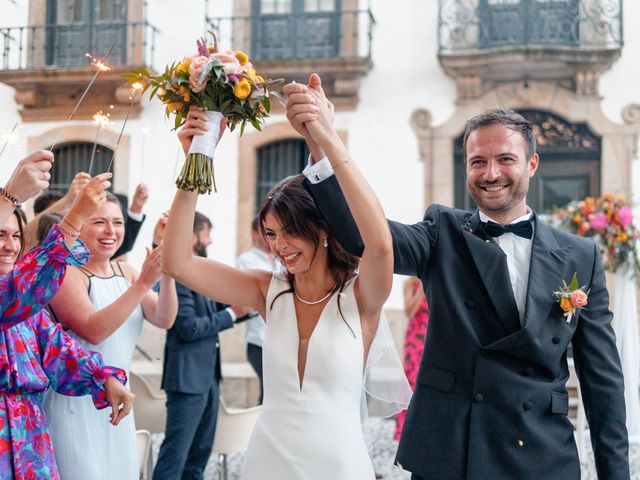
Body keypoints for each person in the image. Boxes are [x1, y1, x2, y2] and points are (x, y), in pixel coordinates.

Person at [288, 76, 629, 479]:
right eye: (477, 162)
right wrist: (321, 144)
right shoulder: (441, 232)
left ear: (532, 164)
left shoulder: (581, 255)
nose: (490, 173)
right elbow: (364, 237)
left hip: (541, 451)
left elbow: (602, 378)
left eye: (505, 159)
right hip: (455, 450)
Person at [163, 101, 409, 479]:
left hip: (338, 467)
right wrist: (197, 157)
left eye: (291, 231)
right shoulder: (268, 291)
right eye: (272, 234)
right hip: (268, 462)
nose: (280, 246)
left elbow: (379, 243)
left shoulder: (362, 297)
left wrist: (326, 137)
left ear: (323, 228)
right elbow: (177, 261)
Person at [0, 166, 135, 479]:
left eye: (16, 236)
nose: (10, 246)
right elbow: (19, 290)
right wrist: (74, 215)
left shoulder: (31, 312)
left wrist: (103, 377)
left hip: (31, 444)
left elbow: (60, 350)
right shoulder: (16, 293)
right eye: (0, 235)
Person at [44, 192, 178, 480]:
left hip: (120, 404)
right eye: (99, 222)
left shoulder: (126, 271)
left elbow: (164, 318)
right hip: (75, 407)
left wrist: (166, 270)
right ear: (78, 226)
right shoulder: (67, 274)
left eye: (117, 222)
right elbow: (94, 330)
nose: (111, 231)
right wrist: (143, 283)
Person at [153, 211, 249, 480]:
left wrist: (253, 301)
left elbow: (222, 302)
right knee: (175, 457)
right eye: (207, 233)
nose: (210, 240)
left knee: (199, 456)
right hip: (186, 381)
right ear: (192, 235)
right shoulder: (177, 275)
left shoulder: (198, 272)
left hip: (208, 379)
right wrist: (232, 315)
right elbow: (187, 327)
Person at [236, 215, 272, 403]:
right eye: (265, 231)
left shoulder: (282, 258)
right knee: (270, 393)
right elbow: (243, 304)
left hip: (283, 340)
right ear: (253, 233)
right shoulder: (246, 261)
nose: (269, 236)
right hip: (260, 341)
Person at [394, 276, 429, 441]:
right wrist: (421, 289)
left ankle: (425, 428)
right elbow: (409, 311)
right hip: (415, 340)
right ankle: (406, 431)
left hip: (432, 339)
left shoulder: (435, 282)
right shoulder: (410, 284)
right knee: (411, 382)